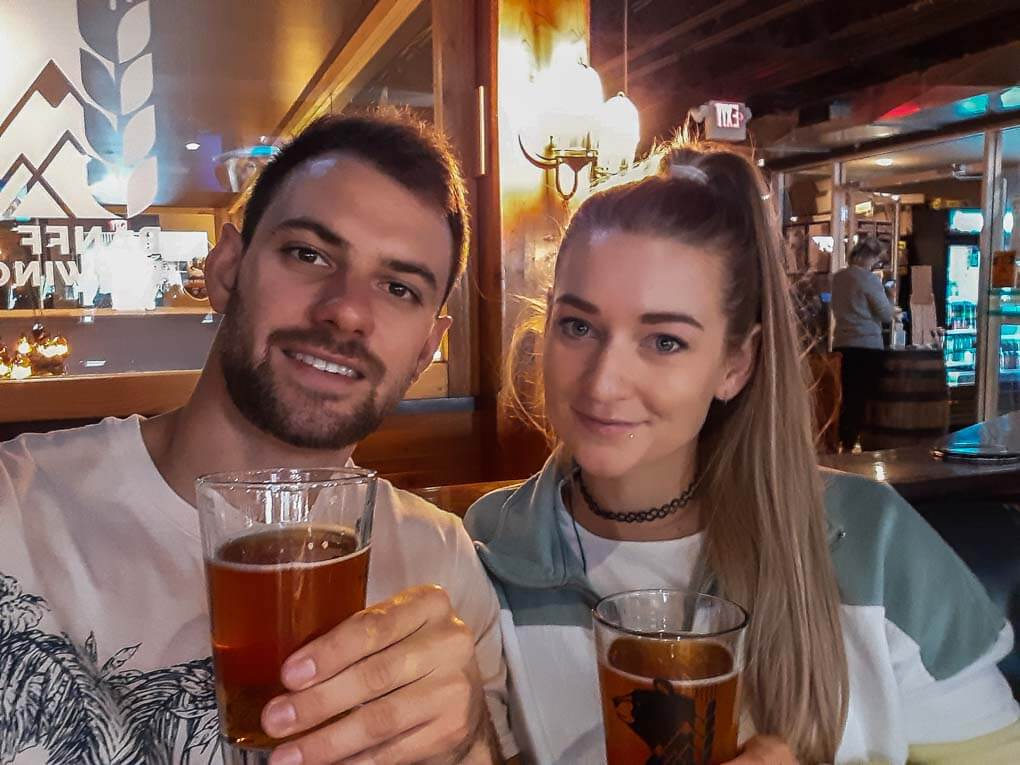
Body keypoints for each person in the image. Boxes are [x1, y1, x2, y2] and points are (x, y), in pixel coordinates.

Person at [465, 144, 1020, 764]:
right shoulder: (486, 554)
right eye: (578, 326)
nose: (602, 383)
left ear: (736, 364)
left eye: (665, 341)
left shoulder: (870, 540)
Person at [0, 111, 515, 765]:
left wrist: (468, 741)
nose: (347, 308)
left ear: (426, 350)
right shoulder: (14, 510)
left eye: (398, 287)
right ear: (226, 268)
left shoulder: (441, 560)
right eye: (309, 253)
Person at [831, 236, 895, 451]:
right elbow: (885, 314)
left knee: (847, 394)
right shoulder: (869, 280)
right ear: (871, 257)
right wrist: (892, 299)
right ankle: (860, 441)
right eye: (876, 259)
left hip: (842, 342)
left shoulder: (838, 278)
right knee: (866, 396)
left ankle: (844, 440)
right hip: (867, 344)